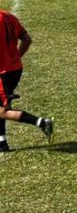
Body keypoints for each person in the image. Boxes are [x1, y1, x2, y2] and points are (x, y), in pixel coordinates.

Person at [0, 8, 54, 151]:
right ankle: (2, 143)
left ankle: (41, 122)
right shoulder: (8, 16)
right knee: (3, 106)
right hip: (15, 69)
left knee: (2, 110)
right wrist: (16, 57)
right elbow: (27, 40)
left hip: (2, 72)